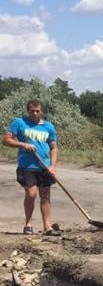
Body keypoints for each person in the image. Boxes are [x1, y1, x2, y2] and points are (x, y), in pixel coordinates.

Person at [4, 99, 60, 236]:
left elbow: (54, 148)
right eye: (32, 111)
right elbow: (6, 140)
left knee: (45, 195)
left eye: (37, 111)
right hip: (27, 166)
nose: (35, 113)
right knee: (31, 193)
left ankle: (47, 227)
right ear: (28, 111)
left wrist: (52, 166)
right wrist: (23, 145)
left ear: (42, 111)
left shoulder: (49, 126)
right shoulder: (19, 122)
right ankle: (28, 224)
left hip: (45, 167)